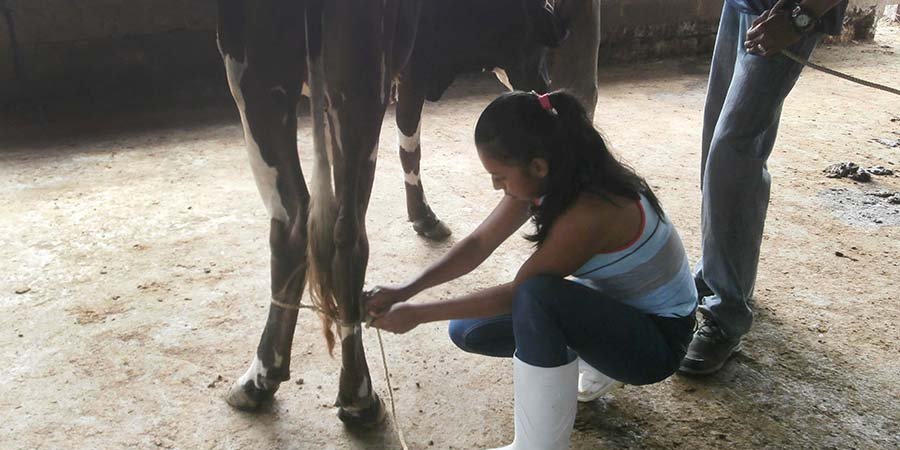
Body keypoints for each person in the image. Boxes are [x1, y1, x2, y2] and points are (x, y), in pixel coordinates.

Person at [366, 90, 697, 449]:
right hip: (616, 310)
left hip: (658, 342)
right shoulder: (553, 176)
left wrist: (417, 314)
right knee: (469, 330)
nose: (496, 186)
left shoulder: (591, 211)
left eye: (499, 176)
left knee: (537, 296)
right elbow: (478, 244)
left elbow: (517, 295)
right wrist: (404, 291)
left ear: (538, 166)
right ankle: (592, 359)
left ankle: (538, 446)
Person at [680, 0, 849, 375]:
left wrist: (800, 15)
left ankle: (726, 313)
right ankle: (721, 274)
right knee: (716, 143)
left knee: (732, 154)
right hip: (744, 5)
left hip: (786, 14)